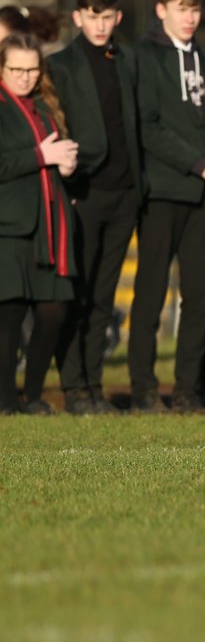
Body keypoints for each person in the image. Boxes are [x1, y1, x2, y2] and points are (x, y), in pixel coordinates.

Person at [128, 0, 205, 412]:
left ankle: (187, 390)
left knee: (197, 297)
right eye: (180, 8)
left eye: (194, 9)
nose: (190, 17)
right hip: (161, 192)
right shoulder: (144, 56)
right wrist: (203, 166)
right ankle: (143, 388)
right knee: (151, 293)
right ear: (161, 10)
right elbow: (149, 127)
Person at [46, 0, 141, 415]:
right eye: (92, 17)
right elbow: (56, 124)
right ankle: (73, 386)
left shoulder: (128, 60)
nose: (100, 26)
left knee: (104, 296)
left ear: (118, 17)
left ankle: (94, 384)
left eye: (107, 17)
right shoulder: (61, 65)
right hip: (84, 191)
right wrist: (67, 187)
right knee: (78, 293)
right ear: (77, 17)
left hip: (125, 193)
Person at [0, 33, 78, 414]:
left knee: (53, 309)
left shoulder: (46, 107)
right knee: (9, 314)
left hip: (50, 224)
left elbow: (55, 155)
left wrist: (67, 164)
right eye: (16, 69)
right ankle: (5, 399)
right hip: (9, 223)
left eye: (32, 70)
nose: (25, 77)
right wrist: (40, 156)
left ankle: (31, 395)